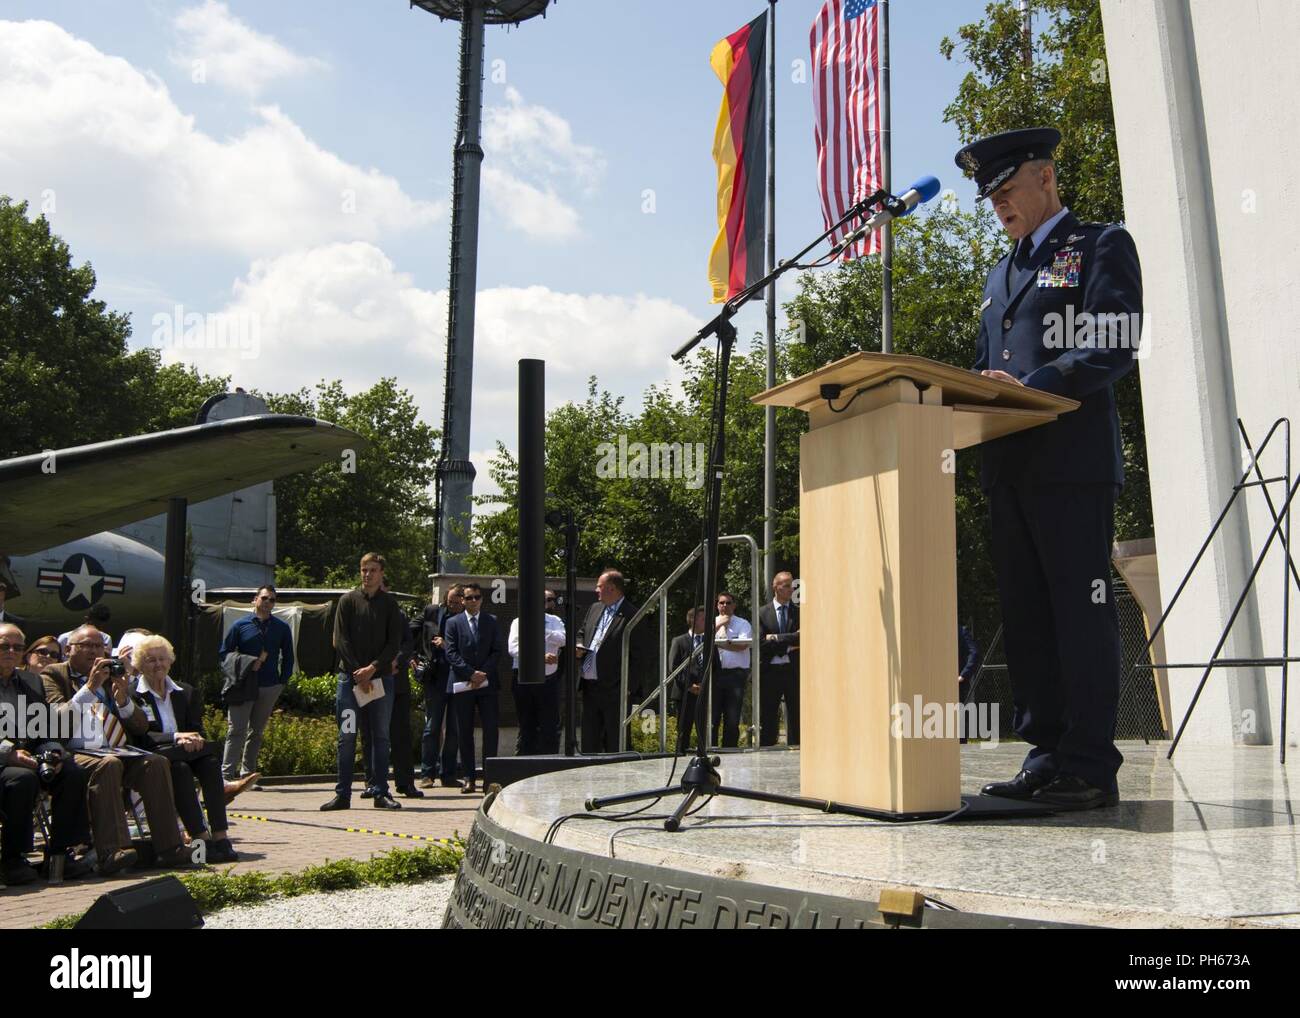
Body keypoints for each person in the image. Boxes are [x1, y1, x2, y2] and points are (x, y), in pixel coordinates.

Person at [955, 126, 1141, 809]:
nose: (999, 204)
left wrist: (1033, 386)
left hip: (1070, 462)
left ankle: (1089, 763)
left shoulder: (1099, 245)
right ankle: (1045, 754)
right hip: (1008, 466)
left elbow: (1114, 342)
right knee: (1028, 618)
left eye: (1008, 189)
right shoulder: (997, 275)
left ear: (1045, 178)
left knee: (1078, 613)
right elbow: (987, 364)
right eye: (991, 197)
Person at [42, 624, 192, 873]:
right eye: (86, 646)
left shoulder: (112, 673)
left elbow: (142, 726)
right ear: (68, 649)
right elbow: (56, 721)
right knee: (108, 765)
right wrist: (89, 688)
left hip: (117, 749)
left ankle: (170, 848)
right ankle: (114, 851)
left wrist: (123, 701)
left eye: (98, 646)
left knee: (155, 762)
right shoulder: (54, 675)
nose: (93, 651)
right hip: (78, 752)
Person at [129, 635, 245, 864]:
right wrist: (175, 737)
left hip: (187, 750)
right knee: (179, 770)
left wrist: (195, 738)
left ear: (170, 662)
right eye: (151, 660)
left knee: (211, 764)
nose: (158, 665)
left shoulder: (185, 691)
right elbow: (141, 734)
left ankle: (221, 836)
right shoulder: (134, 695)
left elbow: (195, 727)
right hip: (158, 755)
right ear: (141, 665)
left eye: (162, 659)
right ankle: (201, 839)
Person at [0, 622, 94, 883]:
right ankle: (12, 859)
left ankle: (59, 854)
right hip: (5, 760)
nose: (11, 651)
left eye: (17, 647)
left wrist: (52, 751)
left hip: (29, 755)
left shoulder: (31, 682)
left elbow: (43, 729)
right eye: (3, 646)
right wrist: (8, 753)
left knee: (71, 771)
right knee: (21, 778)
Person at [321, 554, 405, 811]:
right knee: (347, 736)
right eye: (363, 570)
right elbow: (341, 640)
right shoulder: (347, 601)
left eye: (372, 570)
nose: (367, 574)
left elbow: (394, 644)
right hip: (349, 681)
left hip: (381, 681)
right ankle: (342, 794)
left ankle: (381, 792)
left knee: (381, 736)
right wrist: (359, 671)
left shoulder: (390, 605)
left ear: (381, 573)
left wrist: (373, 668)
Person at [219, 585, 293, 783]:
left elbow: (288, 656)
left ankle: (248, 775)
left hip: (270, 686)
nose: (268, 603)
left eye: (272, 600)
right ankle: (225, 776)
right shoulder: (240, 625)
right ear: (255, 599)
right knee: (236, 730)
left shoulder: (281, 628)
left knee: (257, 732)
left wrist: (282, 681)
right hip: (243, 685)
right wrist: (247, 662)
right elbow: (224, 654)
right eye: (265, 598)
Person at [575, 570, 645, 753]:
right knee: (589, 741)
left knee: (615, 741)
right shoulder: (594, 608)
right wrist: (579, 644)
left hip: (615, 690)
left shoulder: (632, 615)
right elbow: (582, 632)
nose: (596, 590)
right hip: (590, 686)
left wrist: (628, 687)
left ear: (612, 588)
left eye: (599, 586)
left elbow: (641, 656)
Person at [443, 583, 504, 795]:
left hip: (487, 684)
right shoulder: (453, 623)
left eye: (477, 597)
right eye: (469, 598)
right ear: (462, 600)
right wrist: (470, 673)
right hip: (463, 683)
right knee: (464, 731)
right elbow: (450, 652)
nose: (473, 601)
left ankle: (490, 778)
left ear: (482, 599)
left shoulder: (492, 621)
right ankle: (469, 777)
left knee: (490, 730)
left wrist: (483, 673)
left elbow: (497, 650)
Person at [508, 589, 566, 756]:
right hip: (523, 681)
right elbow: (513, 648)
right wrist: (540, 656)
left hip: (548, 680)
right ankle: (524, 763)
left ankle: (549, 762)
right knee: (527, 725)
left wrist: (543, 631)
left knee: (549, 725)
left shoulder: (555, 621)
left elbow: (563, 639)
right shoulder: (518, 622)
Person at [416, 585, 463, 788]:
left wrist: (448, 645)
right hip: (435, 679)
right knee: (432, 727)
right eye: (450, 602)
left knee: (454, 730)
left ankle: (448, 774)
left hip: (458, 680)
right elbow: (408, 631)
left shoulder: (465, 620)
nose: (453, 606)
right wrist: (413, 658)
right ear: (445, 599)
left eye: (457, 603)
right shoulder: (432, 612)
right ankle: (427, 773)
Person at [757, 572, 800, 747]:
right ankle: (767, 747)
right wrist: (788, 643)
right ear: (775, 587)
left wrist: (774, 637)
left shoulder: (798, 612)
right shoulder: (762, 613)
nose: (791, 589)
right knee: (768, 713)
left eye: (792, 585)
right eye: (787, 586)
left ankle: (796, 746)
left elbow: (802, 637)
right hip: (769, 671)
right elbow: (760, 642)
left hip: (793, 669)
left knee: (796, 712)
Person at [667, 606, 712, 754]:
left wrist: (706, 686)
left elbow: (715, 664)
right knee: (683, 730)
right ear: (692, 620)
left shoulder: (709, 641)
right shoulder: (679, 641)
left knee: (704, 731)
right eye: (703, 619)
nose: (706, 622)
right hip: (685, 693)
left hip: (705, 693)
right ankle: (680, 756)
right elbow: (673, 668)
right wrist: (689, 686)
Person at [711, 592, 752, 748]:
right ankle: (711, 748)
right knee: (713, 717)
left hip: (735, 675)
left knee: (732, 718)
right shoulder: (710, 624)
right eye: (721, 603)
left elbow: (742, 646)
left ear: (734, 605)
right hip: (715, 675)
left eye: (728, 603)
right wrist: (719, 625)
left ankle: (730, 749)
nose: (725, 606)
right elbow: (701, 641)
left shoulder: (743, 624)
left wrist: (720, 644)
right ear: (717, 605)